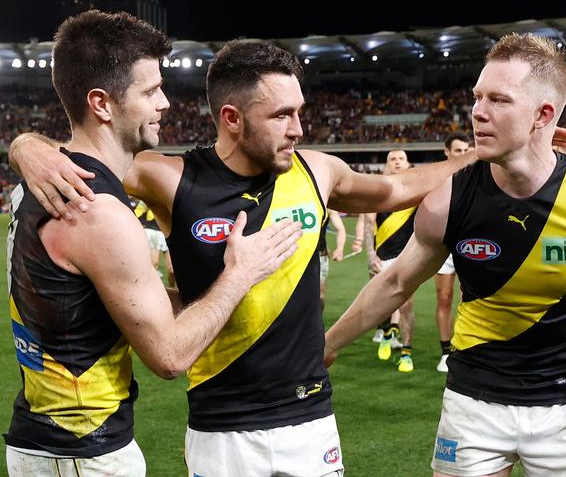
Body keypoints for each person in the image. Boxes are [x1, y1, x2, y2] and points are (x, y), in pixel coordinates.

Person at [10, 40, 478, 477]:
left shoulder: (317, 171)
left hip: (310, 419)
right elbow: (85, 155)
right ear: (232, 117)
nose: (298, 128)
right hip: (220, 429)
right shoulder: (169, 179)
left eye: (300, 112)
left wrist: (480, 155)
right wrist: (25, 146)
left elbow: (397, 189)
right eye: (281, 115)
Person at [324, 33, 566, 476]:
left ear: (544, 114)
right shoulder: (447, 200)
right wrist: (325, 346)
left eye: (498, 99)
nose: (477, 112)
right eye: (477, 97)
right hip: (473, 403)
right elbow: (396, 282)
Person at [4, 12, 301, 477]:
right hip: (87, 452)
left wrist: (22, 143)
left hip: (45, 439)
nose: (165, 103)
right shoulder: (98, 211)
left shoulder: (39, 183)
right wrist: (240, 274)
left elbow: (91, 306)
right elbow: (170, 356)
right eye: (150, 91)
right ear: (102, 103)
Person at [363, 150, 416, 372]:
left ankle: (406, 353)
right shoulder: (379, 192)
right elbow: (368, 224)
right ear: (387, 164)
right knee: (380, 304)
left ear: (407, 163)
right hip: (382, 257)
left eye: (400, 159)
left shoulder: (417, 192)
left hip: (408, 257)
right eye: (392, 159)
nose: (397, 162)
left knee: (406, 307)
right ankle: (386, 332)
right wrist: (370, 254)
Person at [434, 132, 470, 373]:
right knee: (444, 298)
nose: (463, 155)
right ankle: (446, 351)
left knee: (469, 299)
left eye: (466, 150)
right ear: (447, 152)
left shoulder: (477, 175)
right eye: (458, 150)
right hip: (445, 246)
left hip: (470, 244)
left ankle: (464, 349)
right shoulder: (436, 178)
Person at [134, 198, 176, 287]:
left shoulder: (172, 198)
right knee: (154, 264)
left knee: (172, 270)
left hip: (168, 233)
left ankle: (172, 289)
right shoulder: (148, 199)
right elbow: (136, 213)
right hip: (153, 232)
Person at [319, 208, 348, 313]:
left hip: (320, 256)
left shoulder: (325, 204)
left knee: (319, 294)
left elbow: (340, 229)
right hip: (295, 256)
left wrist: (340, 248)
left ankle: (317, 325)